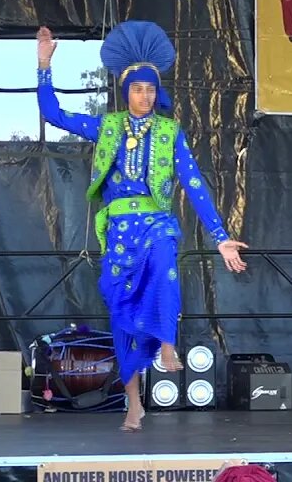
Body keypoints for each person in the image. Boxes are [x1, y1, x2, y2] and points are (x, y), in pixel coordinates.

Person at [37, 23, 248, 432]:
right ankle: (133, 403)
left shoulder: (170, 133)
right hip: (119, 231)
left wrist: (221, 239)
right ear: (126, 89)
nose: (145, 96)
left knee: (165, 257)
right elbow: (53, 114)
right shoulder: (107, 126)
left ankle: (167, 342)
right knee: (121, 315)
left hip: (156, 221)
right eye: (138, 89)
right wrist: (44, 65)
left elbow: (193, 183)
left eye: (151, 89)